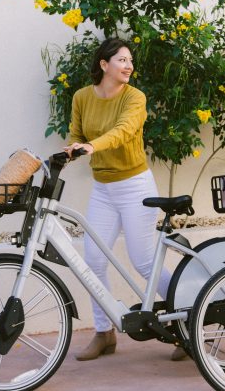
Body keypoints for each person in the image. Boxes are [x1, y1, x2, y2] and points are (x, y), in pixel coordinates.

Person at [64, 37, 173, 361]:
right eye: (122, 60)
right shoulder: (83, 97)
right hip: (104, 189)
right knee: (93, 260)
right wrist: (72, 147)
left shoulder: (134, 97)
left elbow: (125, 131)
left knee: (143, 261)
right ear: (103, 65)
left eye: (130, 60)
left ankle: (189, 318)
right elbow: (76, 133)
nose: (129, 66)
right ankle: (105, 332)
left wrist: (93, 146)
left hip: (135, 186)